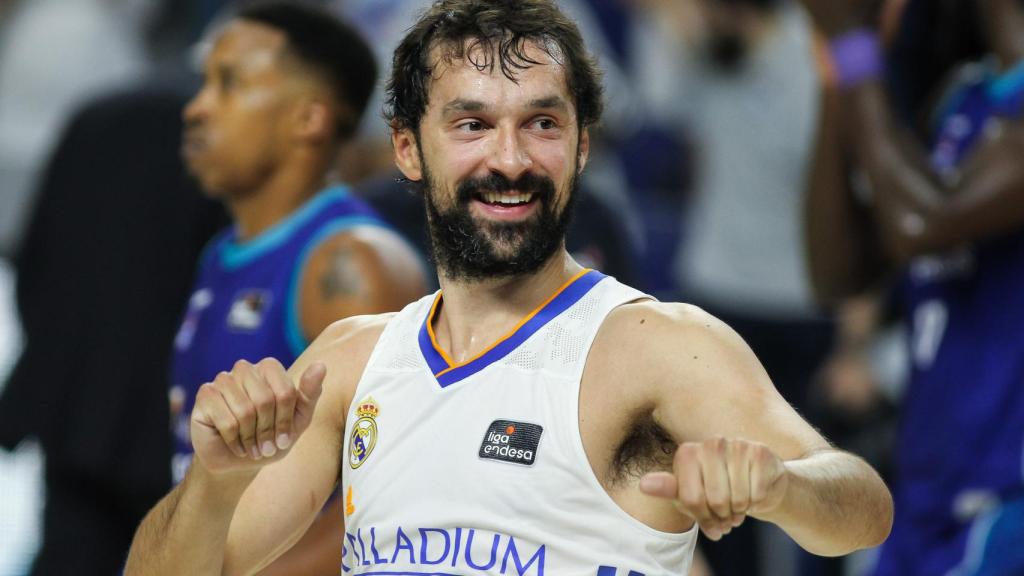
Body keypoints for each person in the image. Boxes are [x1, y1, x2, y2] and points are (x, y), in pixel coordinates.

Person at [126, 1, 892, 574]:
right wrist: (214, 485)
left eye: (542, 125)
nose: (510, 158)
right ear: (407, 149)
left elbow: (862, 507)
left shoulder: (656, 346)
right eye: (470, 126)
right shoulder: (353, 362)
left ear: (583, 146)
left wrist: (781, 486)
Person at [168, 2, 426, 573]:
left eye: (228, 84)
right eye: (204, 81)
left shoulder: (351, 263)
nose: (196, 108)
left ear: (308, 119)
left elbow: (400, 496)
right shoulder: (223, 253)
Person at [802, 0, 1024, 573]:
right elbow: (838, 273)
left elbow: (920, 226)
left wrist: (855, 47)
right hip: (924, 498)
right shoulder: (961, 98)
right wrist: (839, 70)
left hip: (1005, 502)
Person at [0, 84, 227, 576]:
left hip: (74, 406)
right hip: (174, 424)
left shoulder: (97, 113)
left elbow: (31, 260)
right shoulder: (225, 146)